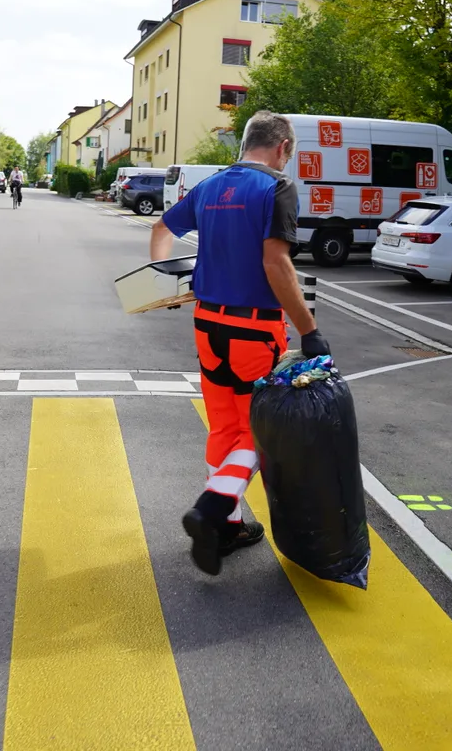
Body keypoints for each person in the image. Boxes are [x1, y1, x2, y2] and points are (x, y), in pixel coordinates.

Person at [149, 111, 330, 576]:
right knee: (260, 430)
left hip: (207, 325)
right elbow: (276, 264)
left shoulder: (209, 186)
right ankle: (213, 507)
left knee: (224, 425)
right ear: (283, 147)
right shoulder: (277, 187)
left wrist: (160, 286)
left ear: (245, 141)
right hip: (254, 330)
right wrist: (308, 329)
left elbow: (160, 231)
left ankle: (227, 528)